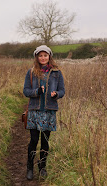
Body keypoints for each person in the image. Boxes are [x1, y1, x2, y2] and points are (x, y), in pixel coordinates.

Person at [23, 45, 65, 180]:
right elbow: (26, 91)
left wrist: (56, 94)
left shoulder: (57, 73)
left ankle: (42, 168)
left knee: (45, 141)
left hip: (49, 111)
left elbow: (62, 91)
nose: (43, 58)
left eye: (45, 55)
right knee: (34, 140)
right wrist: (37, 92)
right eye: (40, 55)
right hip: (34, 111)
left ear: (49, 57)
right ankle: (29, 168)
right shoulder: (31, 72)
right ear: (37, 57)